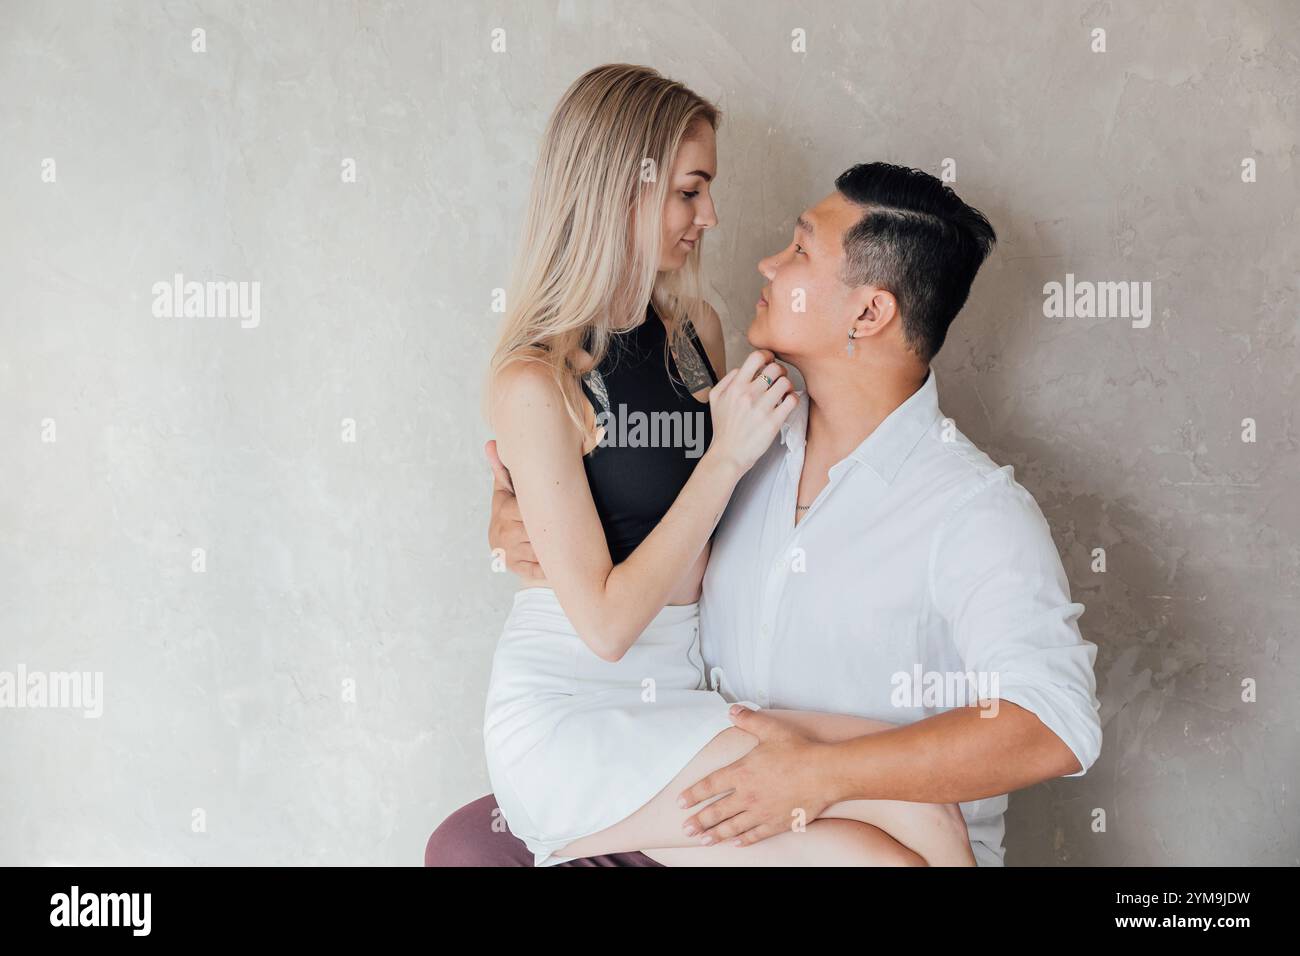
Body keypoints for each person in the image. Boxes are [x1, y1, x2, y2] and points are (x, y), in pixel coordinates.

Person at [429, 159, 1103, 867]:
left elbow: (1051, 725)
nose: (766, 262)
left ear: (869, 312)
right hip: (719, 803)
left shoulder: (972, 511)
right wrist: (521, 518)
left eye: (801, 250)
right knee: (470, 847)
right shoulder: (745, 442)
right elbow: (622, 516)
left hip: (886, 840)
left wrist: (822, 775)